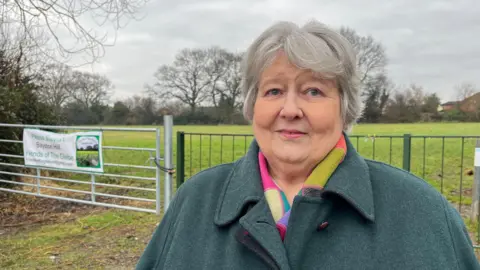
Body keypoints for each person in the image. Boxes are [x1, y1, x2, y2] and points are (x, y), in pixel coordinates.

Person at [136, 20, 480, 270]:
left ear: (344, 109)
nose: (290, 110)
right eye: (273, 91)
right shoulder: (195, 199)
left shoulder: (422, 211)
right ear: (253, 106)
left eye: (313, 91)